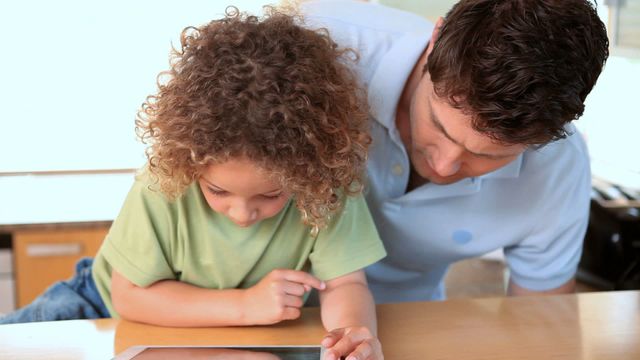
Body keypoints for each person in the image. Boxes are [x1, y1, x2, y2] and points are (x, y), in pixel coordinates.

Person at [0, 7, 386, 360]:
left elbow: (345, 285)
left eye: (271, 195)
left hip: (224, 334)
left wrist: (350, 334)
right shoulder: (164, 180)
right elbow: (129, 296)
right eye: (218, 191)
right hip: (104, 309)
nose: (242, 213)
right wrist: (247, 306)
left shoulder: (324, 184)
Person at [300, 0, 609, 302]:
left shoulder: (557, 169)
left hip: (414, 323)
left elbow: (542, 318)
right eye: (438, 125)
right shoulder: (315, 42)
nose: (444, 166)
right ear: (435, 41)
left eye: (488, 156)